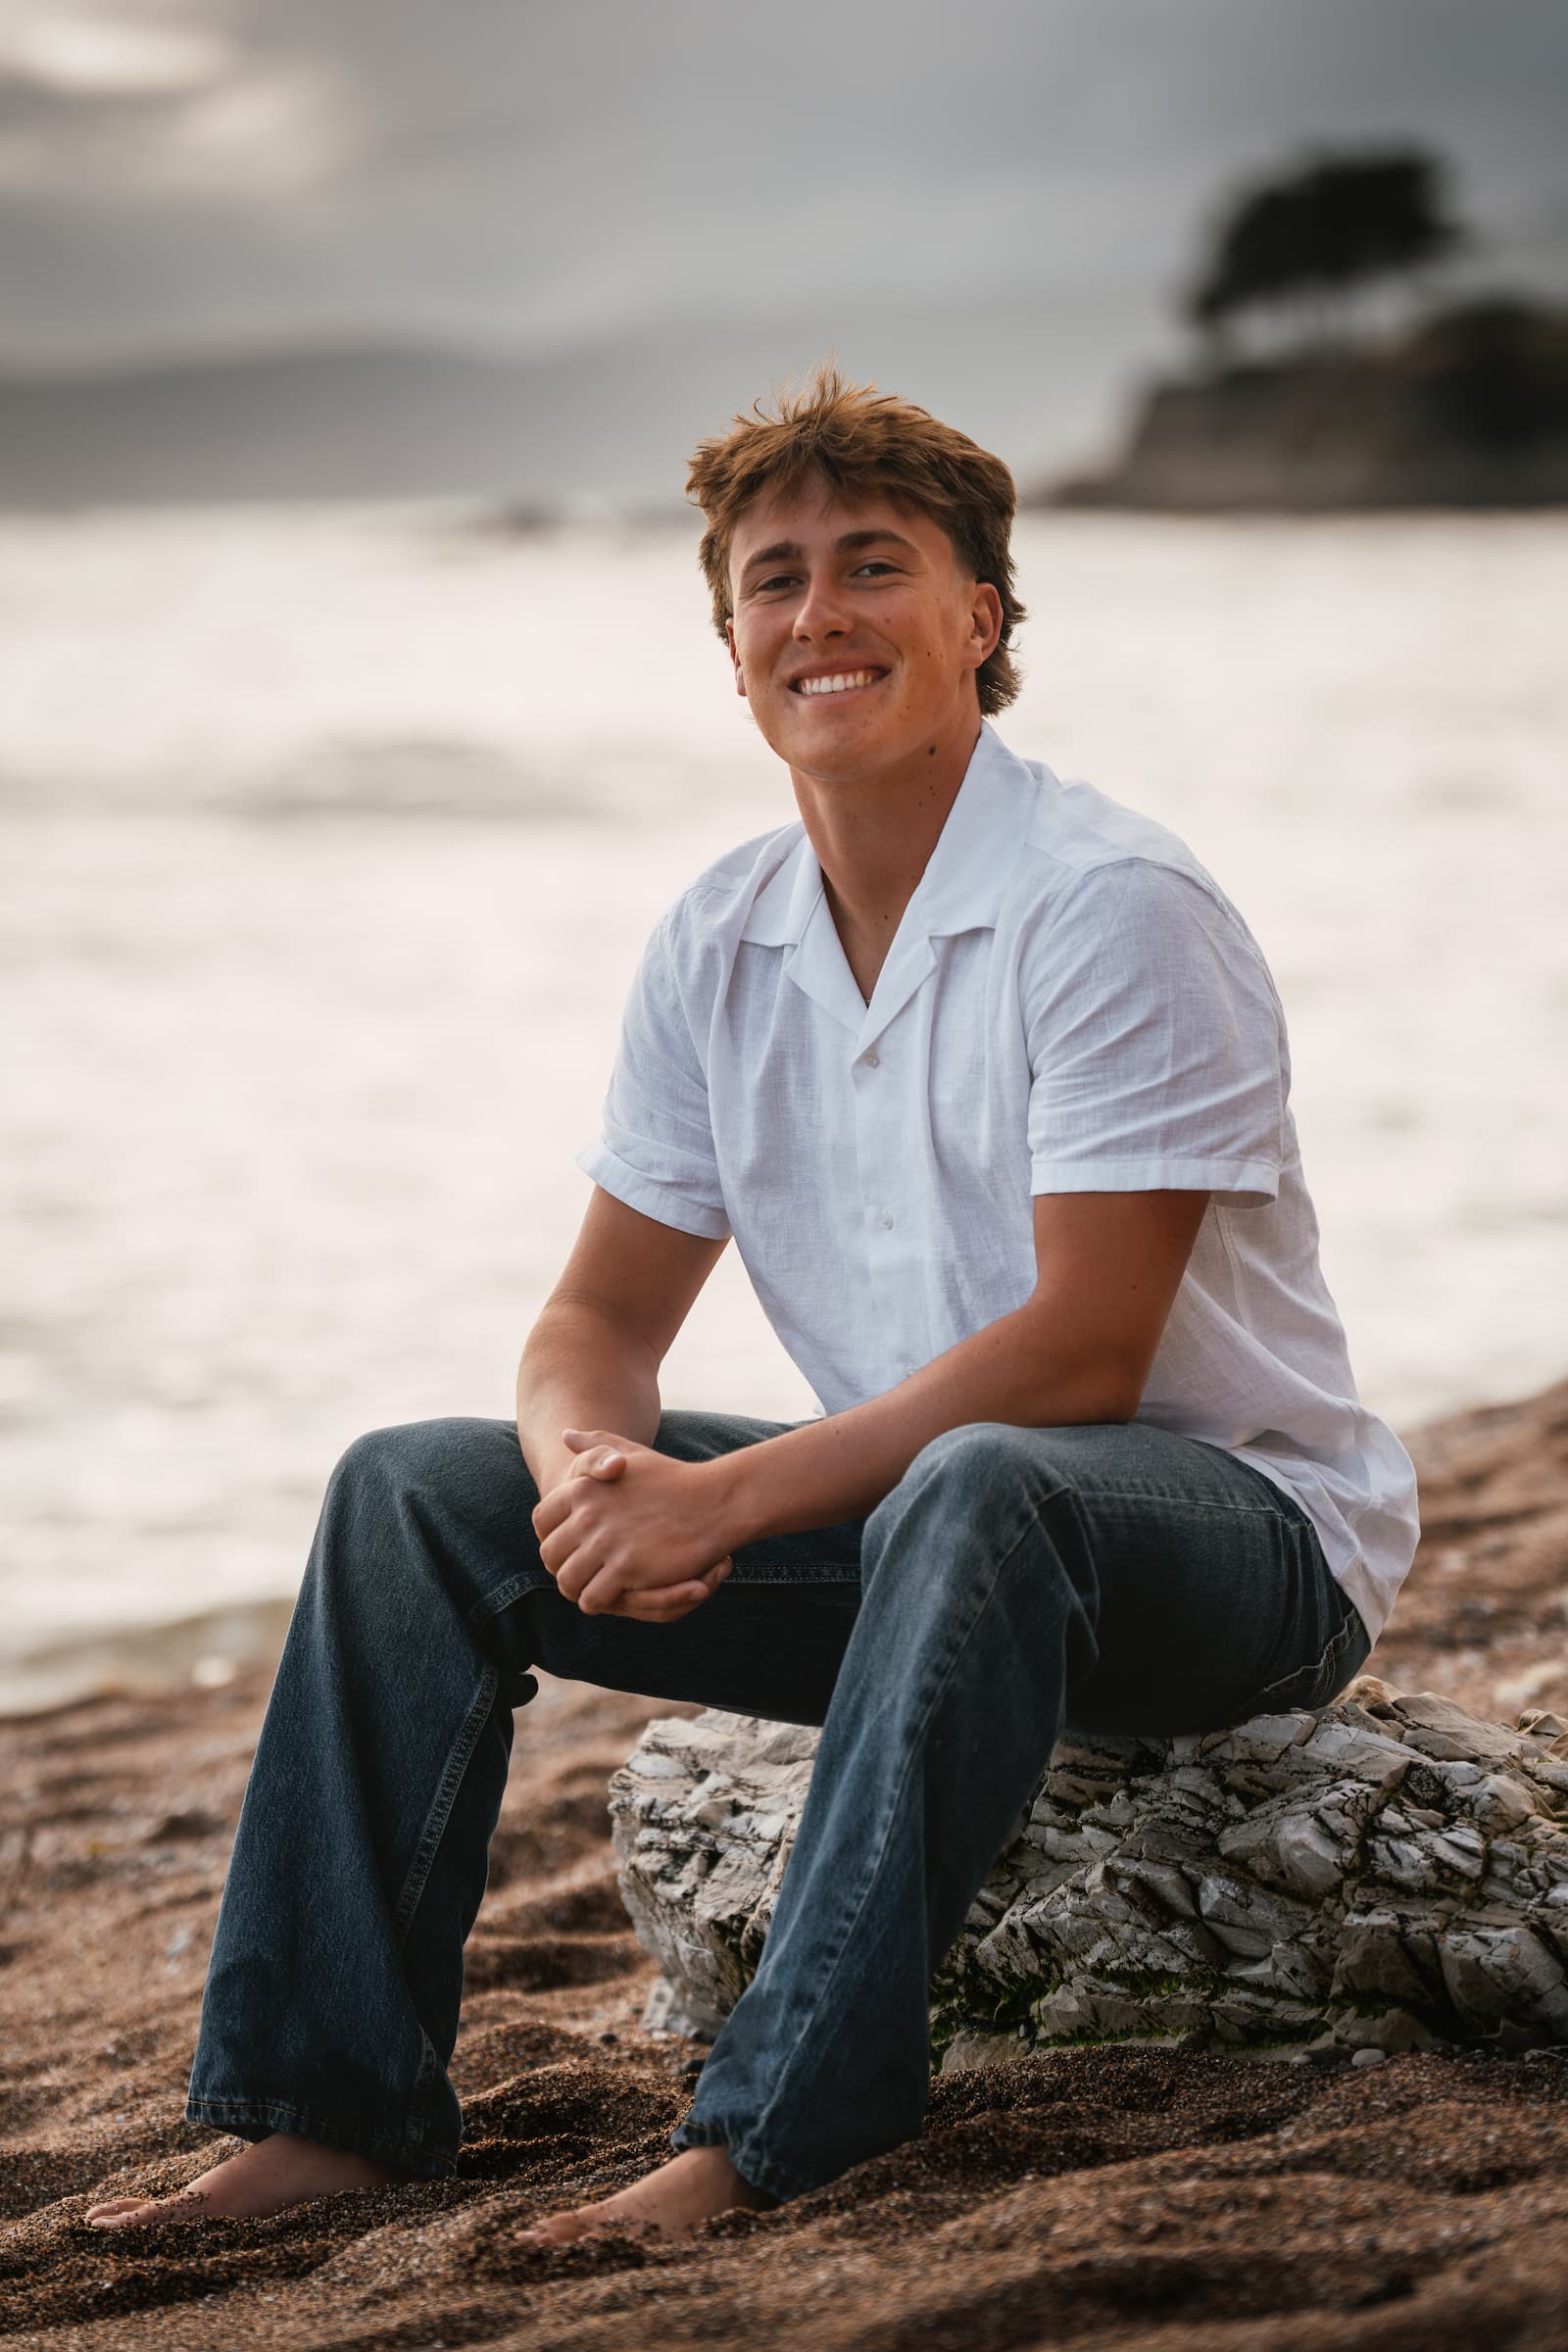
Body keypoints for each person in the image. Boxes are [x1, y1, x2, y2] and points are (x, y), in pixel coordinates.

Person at [86, 367, 1418, 2241]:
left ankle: (790, 2125)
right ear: (729, 648)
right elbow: (593, 1322)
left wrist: (730, 1499)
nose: (821, 614)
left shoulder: (1109, 903)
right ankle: (332, 2105)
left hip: (1232, 1546)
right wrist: (591, 1476)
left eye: (875, 566)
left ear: (984, 618)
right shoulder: (723, 937)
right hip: (929, 1537)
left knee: (991, 1477)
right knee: (411, 1493)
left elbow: (1082, 1354)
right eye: (773, 579)